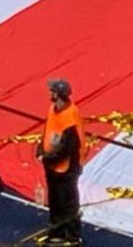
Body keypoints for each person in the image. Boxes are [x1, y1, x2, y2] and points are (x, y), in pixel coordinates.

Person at [36, 79, 85, 244]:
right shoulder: (53, 110)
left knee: (68, 202)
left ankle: (72, 236)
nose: (50, 94)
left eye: (52, 91)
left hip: (67, 167)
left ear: (58, 94)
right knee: (55, 200)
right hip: (52, 165)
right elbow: (47, 131)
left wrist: (47, 157)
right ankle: (56, 231)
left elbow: (67, 147)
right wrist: (41, 150)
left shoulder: (70, 116)